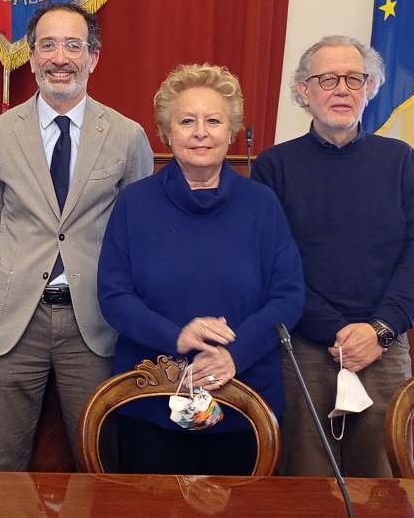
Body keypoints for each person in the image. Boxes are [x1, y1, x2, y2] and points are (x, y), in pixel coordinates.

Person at [0, 2, 153, 470]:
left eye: (73, 45)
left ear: (93, 57)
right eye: (47, 45)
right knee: (1, 464)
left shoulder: (127, 136)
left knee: (99, 461)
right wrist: (22, 275)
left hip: (94, 322)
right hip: (15, 322)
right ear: (30, 57)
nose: (60, 57)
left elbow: (137, 233)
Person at [97, 63, 305, 474]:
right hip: (150, 398)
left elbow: (289, 295)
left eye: (213, 120)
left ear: (231, 132)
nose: (200, 131)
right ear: (166, 132)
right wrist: (178, 336)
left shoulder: (261, 204)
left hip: (246, 396)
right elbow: (114, 296)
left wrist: (235, 355)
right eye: (187, 120)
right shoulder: (134, 204)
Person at [251, 34, 414, 477]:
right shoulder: (273, 166)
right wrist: (336, 331)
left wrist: (379, 330)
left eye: (355, 78)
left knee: (382, 480)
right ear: (303, 90)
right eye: (328, 78)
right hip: (305, 347)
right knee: (305, 479)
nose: (342, 89)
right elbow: (270, 260)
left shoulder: (403, 162)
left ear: (370, 88)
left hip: (383, 345)